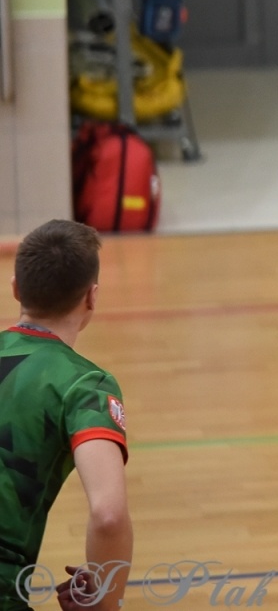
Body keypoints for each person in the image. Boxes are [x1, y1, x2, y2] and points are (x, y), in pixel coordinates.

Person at [1, 220, 132, 611]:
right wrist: (107, 603)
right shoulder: (83, 385)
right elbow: (109, 515)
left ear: (16, 289)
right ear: (91, 297)